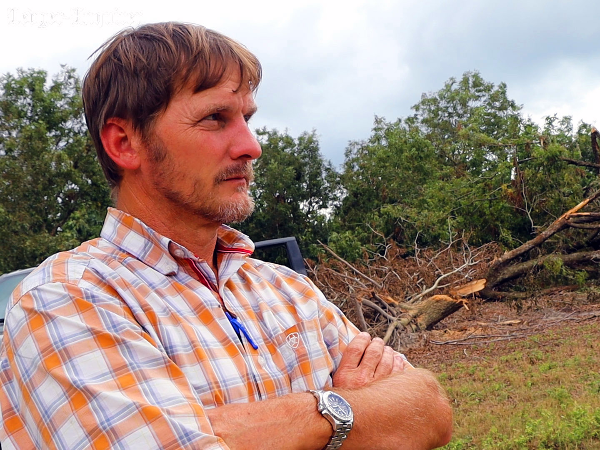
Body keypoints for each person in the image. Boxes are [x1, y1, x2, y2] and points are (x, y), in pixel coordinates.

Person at [0, 22, 452, 450]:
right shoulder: (67, 300)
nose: (250, 146)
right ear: (124, 143)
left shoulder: (287, 290)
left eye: (247, 118)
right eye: (215, 118)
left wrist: (307, 417)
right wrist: (353, 414)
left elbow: (430, 408)